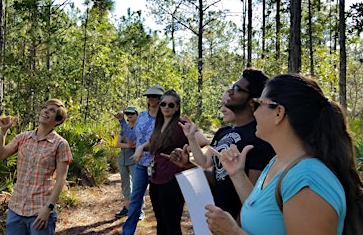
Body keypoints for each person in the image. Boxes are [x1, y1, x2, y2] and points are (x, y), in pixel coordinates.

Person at [205, 73, 363, 235]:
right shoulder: (278, 162)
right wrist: (237, 173)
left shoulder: (307, 179)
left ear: (278, 112)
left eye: (257, 104)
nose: (254, 112)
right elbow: (263, 212)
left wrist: (233, 232)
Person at [168, 68, 275, 219]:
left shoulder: (259, 136)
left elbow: (253, 198)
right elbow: (218, 177)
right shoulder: (222, 132)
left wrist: (235, 229)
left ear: (252, 101)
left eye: (237, 89)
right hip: (220, 219)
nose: (230, 91)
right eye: (232, 86)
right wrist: (188, 165)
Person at [0, 99, 73, 235]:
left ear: (58, 121)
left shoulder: (60, 144)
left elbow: (61, 179)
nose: (46, 110)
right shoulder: (23, 138)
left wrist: (48, 208)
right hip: (16, 209)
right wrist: (3, 132)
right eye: (45, 107)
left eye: (52, 110)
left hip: (40, 210)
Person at [133, 89, 208, 234]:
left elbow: (202, 141)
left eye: (171, 105)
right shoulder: (159, 125)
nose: (166, 107)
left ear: (177, 107)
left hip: (173, 180)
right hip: (156, 178)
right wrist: (141, 148)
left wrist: (186, 146)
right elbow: (152, 143)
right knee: (161, 223)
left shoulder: (181, 125)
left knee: (171, 224)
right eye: (163, 104)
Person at [113, 84, 164, 235]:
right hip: (141, 164)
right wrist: (122, 121)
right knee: (135, 199)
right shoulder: (141, 116)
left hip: (158, 164)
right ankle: (127, 232)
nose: (151, 98)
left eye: (154, 96)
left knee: (160, 202)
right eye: (148, 96)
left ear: (161, 98)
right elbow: (133, 138)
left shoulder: (164, 117)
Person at [114, 106, 138, 218]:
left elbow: (134, 143)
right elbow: (118, 144)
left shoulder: (138, 128)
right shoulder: (124, 127)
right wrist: (128, 145)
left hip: (134, 159)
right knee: (125, 184)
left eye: (132, 113)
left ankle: (138, 210)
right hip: (122, 160)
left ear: (137, 114)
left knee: (137, 184)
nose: (129, 115)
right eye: (127, 113)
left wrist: (129, 145)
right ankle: (127, 207)